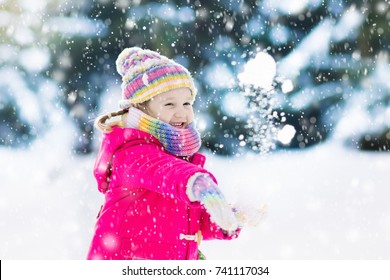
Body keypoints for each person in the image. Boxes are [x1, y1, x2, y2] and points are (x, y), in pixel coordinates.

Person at [87, 47, 252, 260]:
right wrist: (198, 182)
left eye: (186, 103)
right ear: (141, 108)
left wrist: (228, 219)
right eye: (169, 104)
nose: (182, 112)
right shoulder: (132, 152)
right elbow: (165, 171)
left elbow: (187, 219)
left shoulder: (175, 155)